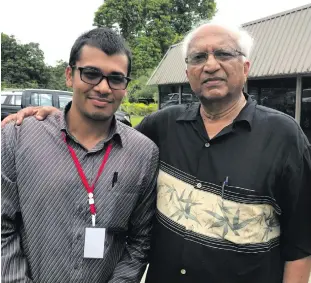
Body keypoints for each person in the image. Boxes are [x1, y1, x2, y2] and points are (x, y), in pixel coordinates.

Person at [3, 22, 311, 283]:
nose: (211, 64)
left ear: (245, 67)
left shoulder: (285, 137)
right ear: (189, 72)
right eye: (199, 57)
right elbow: (101, 135)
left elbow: (300, 245)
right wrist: (53, 116)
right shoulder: (162, 126)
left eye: (224, 54)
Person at [1, 27, 159, 283]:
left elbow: (140, 241)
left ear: (126, 86)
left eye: (116, 78)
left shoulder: (143, 153)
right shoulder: (18, 137)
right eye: (91, 74)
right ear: (69, 75)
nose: (104, 88)